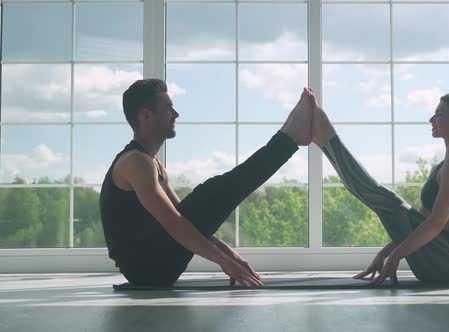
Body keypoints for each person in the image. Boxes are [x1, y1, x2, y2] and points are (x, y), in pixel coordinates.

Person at [100, 79, 314, 287]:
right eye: (168, 109)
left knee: (215, 192)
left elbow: (187, 219)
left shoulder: (154, 165)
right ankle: (290, 136)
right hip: (145, 268)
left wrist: (229, 254)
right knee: (213, 191)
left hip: (153, 265)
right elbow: (173, 222)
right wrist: (224, 262)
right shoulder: (135, 162)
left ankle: (290, 136)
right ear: (146, 115)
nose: (176, 115)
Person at [310, 91, 449, 285]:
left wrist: (395, 256)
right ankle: (326, 140)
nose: (431, 119)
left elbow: (436, 223)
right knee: (390, 204)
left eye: (439, 114)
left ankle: (326, 136)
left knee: (390, 202)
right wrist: (385, 253)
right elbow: (421, 223)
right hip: (438, 257)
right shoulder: (443, 166)